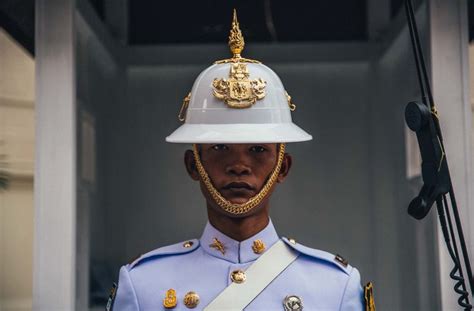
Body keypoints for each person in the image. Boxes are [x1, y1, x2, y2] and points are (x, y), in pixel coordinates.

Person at [109, 10, 374, 311]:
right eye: (220, 147)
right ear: (193, 165)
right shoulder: (144, 285)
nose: (239, 165)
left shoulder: (335, 287)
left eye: (258, 150)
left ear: (283, 167)